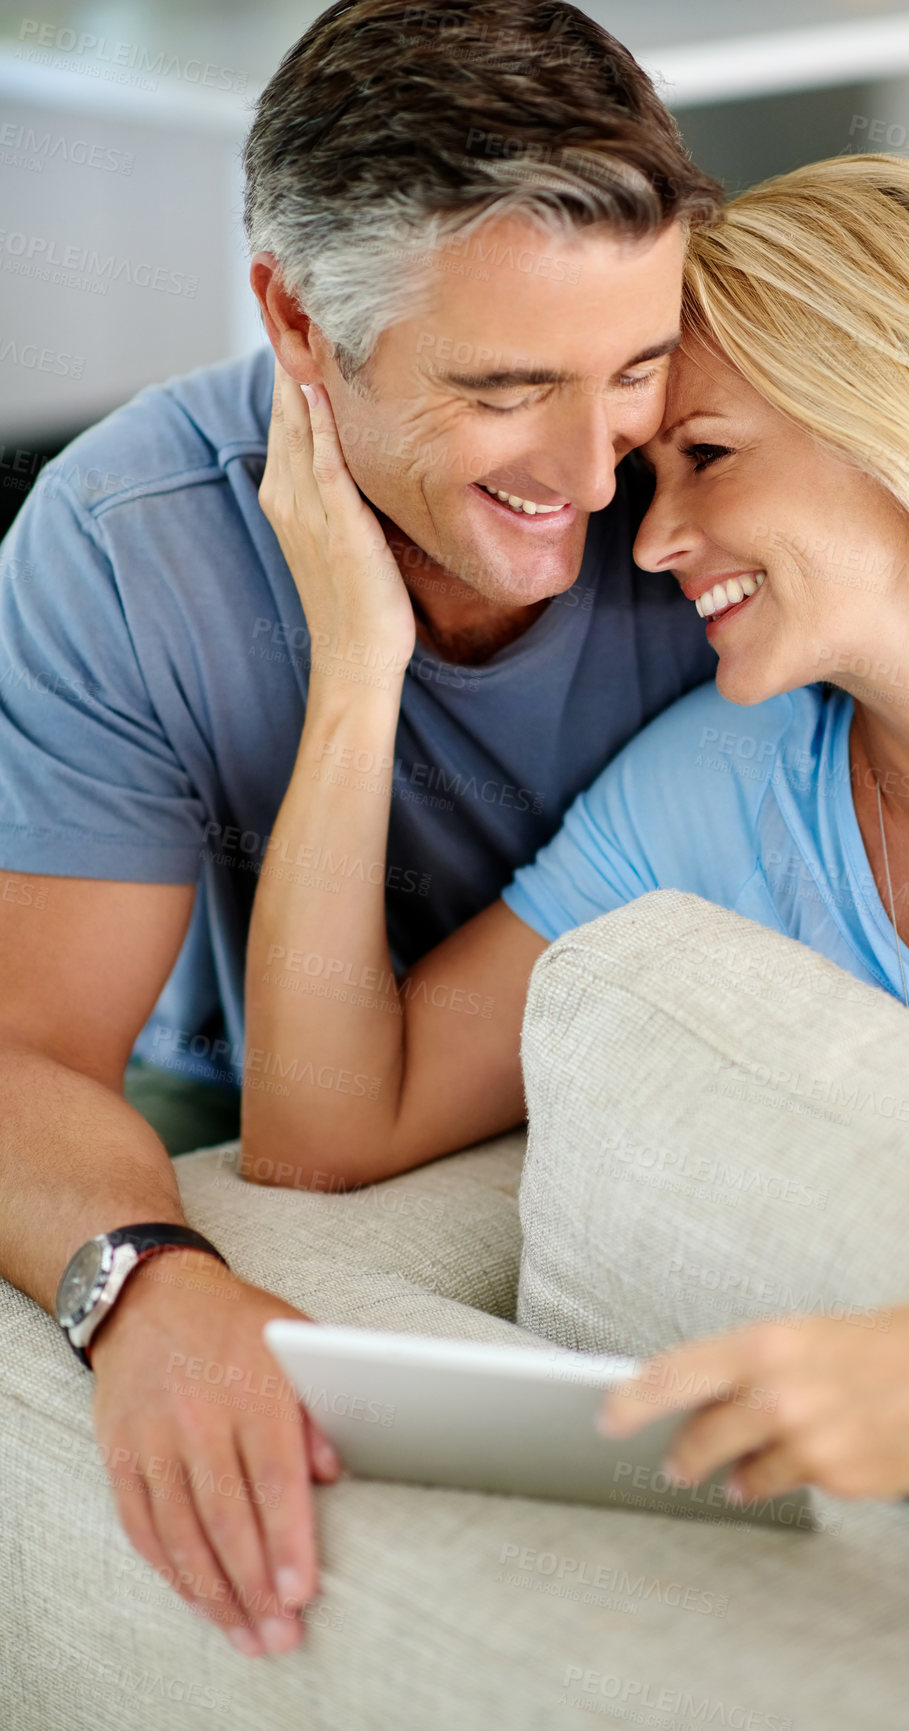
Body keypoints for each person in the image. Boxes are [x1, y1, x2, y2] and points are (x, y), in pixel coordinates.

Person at [251, 154, 909, 1524]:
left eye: (707, 458)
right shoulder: (728, 784)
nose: (655, 537)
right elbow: (323, 1131)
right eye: (647, 470)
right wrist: (358, 663)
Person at [0, 0, 722, 1656]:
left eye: (629, 368)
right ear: (299, 323)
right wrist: (149, 1288)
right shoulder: (127, 542)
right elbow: (30, 1051)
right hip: (258, 1086)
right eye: (504, 388)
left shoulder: (714, 471)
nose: (595, 477)